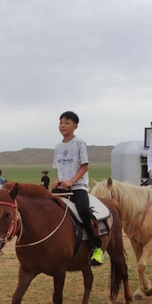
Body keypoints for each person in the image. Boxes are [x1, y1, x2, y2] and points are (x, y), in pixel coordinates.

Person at [52, 111, 104, 265]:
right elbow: (58, 168)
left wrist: (71, 181)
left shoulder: (79, 143)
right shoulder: (57, 147)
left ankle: (97, 248)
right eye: (61, 122)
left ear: (75, 126)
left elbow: (85, 166)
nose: (63, 125)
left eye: (67, 122)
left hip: (78, 187)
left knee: (83, 211)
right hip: (61, 188)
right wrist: (57, 181)